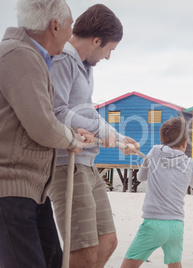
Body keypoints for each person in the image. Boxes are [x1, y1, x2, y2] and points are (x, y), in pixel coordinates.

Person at [0, 0, 94, 267]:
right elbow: (41, 125)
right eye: (70, 25)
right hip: (11, 188)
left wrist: (69, 132)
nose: (71, 32)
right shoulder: (19, 54)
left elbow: (35, 118)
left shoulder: (29, 56)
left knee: (52, 261)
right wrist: (71, 139)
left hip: (32, 189)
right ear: (55, 26)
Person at [48, 4, 140, 268]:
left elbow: (86, 112)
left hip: (88, 165)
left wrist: (118, 137)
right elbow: (56, 111)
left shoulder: (85, 67)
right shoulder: (64, 58)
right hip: (69, 164)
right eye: (109, 49)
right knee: (84, 252)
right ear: (97, 40)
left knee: (108, 241)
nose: (109, 57)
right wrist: (103, 132)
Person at [121, 117, 193, 268]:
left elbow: (140, 177)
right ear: (185, 143)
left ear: (163, 139)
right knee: (175, 264)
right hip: (176, 225)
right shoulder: (191, 163)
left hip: (154, 223)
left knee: (129, 265)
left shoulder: (155, 152)